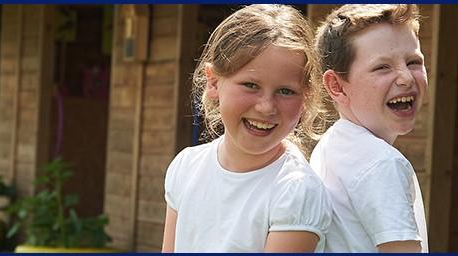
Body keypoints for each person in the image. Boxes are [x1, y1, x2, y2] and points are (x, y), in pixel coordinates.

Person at [160, 4, 334, 252]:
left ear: (306, 99)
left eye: (285, 91)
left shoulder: (296, 190)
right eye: (251, 85)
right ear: (213, 83)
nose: (266, 107)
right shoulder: (186, 167)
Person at [309, 4, 429, 253]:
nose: (406, 77)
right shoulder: (381, 164)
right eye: (382, 67)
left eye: (413, 62)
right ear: (336, 86)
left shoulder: (332, 146)